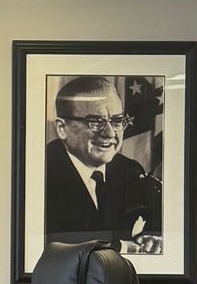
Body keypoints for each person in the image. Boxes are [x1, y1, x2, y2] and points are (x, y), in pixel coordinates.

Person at [42, 76, 162, 251]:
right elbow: (51, 239)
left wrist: (153, 239)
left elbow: (166, 223)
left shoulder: (129, 170)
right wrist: (122, 247)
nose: (110, 133)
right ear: (62, 128)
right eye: (95, 122)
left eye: (117, 121)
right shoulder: (42, 173)